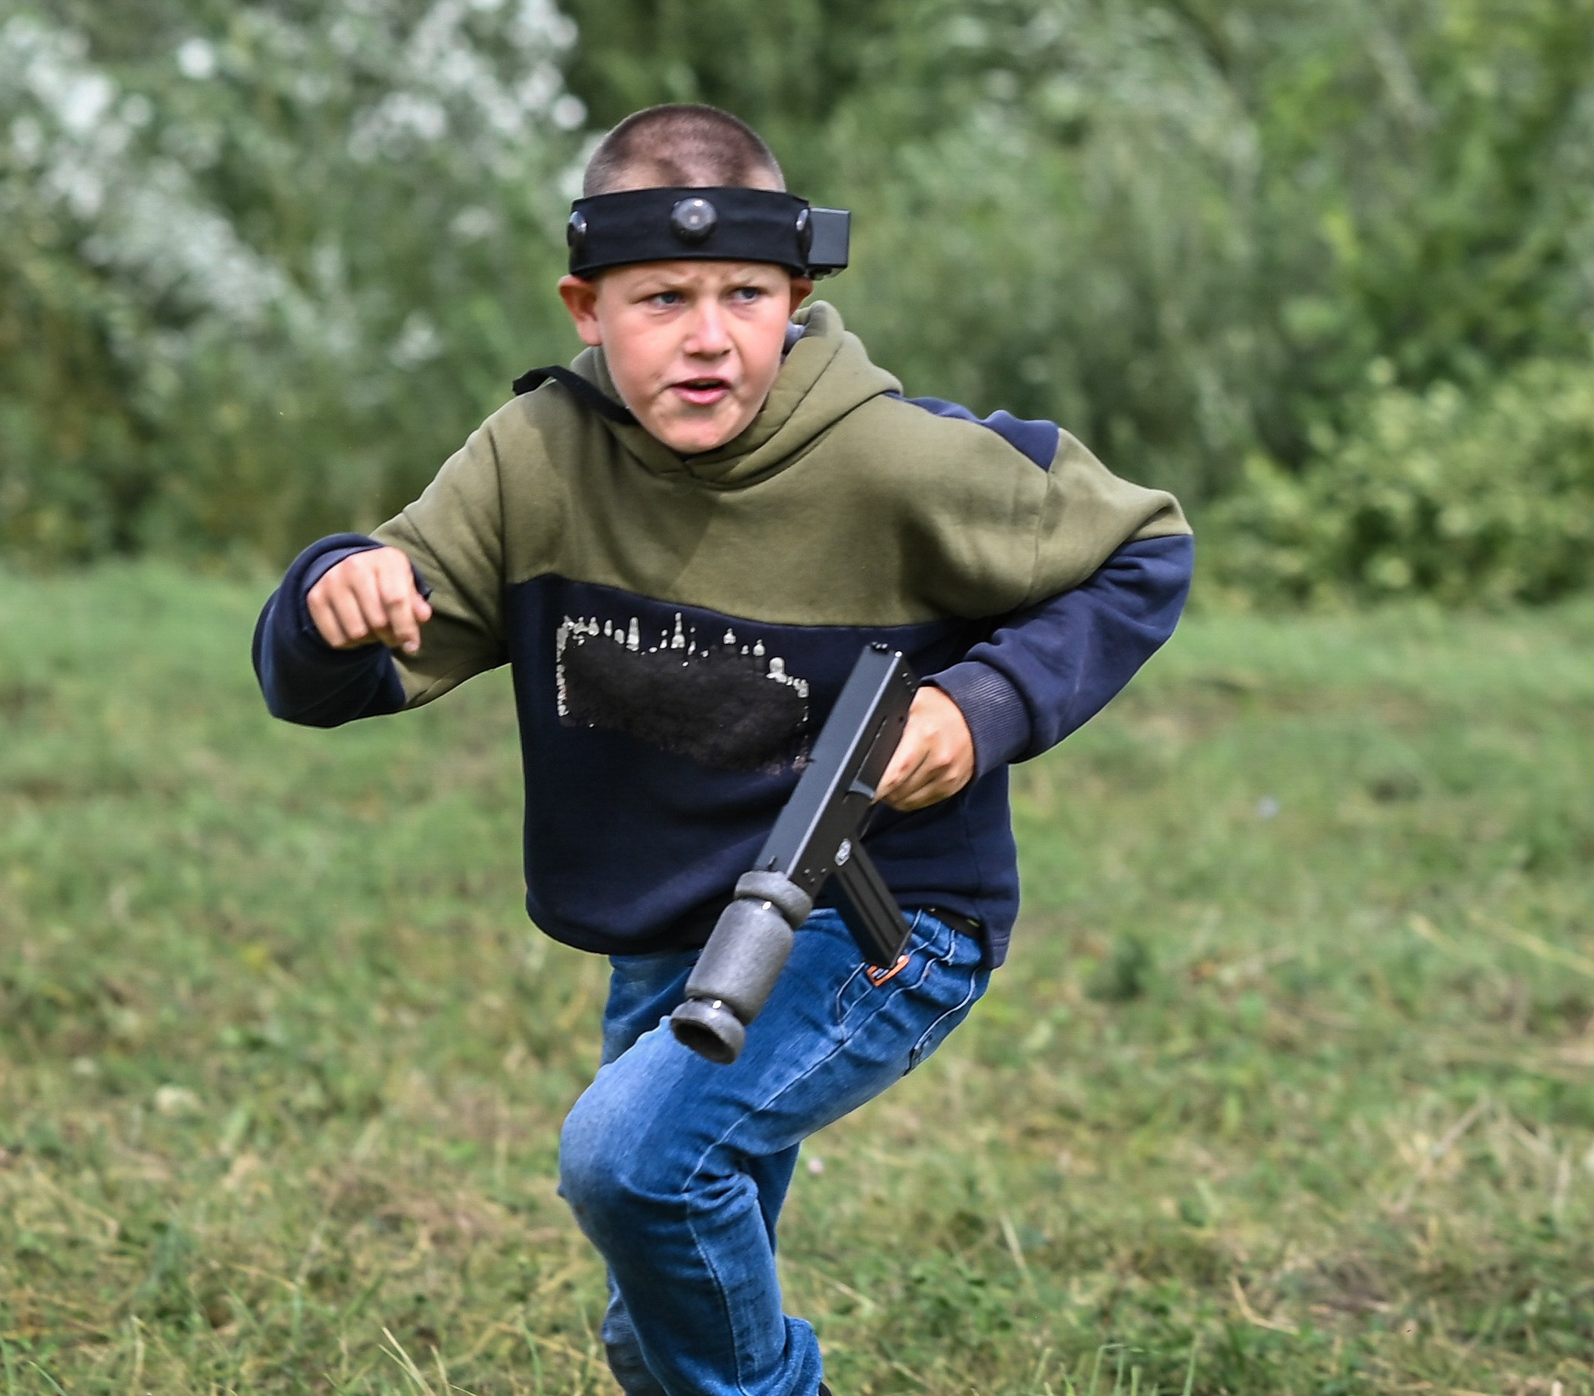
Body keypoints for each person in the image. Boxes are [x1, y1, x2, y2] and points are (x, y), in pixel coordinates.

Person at [250, 104, 1192, 1396]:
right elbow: (341, 666)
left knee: (633, 1167)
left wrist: (984, 706)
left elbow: (1144, 545)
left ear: (795, 296)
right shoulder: (533, 461)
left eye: (745, 294)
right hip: (673, 928)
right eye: (662, 299)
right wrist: (331, 596)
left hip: (884, 916)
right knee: (659, 1323)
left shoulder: (898, 459)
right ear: (586, 307)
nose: (707, 336)